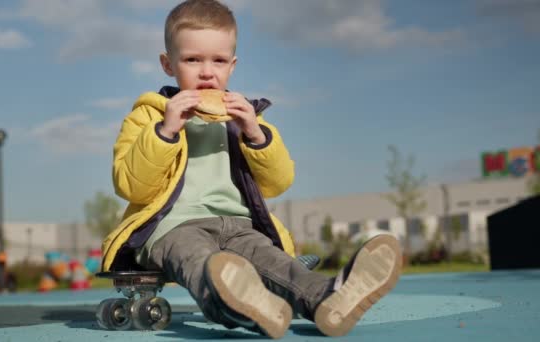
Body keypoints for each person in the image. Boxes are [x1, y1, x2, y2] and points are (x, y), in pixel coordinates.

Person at [101, 0, 402, 338]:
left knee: (277, 264)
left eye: (217, 61)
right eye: (192, 59)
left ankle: (330, 299)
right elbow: (131, 186)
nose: (206, 71)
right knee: (200, 262)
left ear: (232, 66)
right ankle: (236, 305)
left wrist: (255, 134)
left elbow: (278, 182)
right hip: (172, 228)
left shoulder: (245, 117)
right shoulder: (149, 117)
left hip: (239, 225)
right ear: (168, 64)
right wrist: (165, 132)